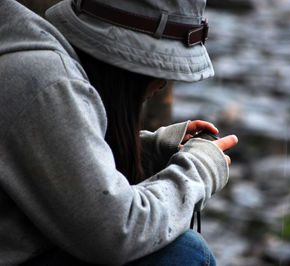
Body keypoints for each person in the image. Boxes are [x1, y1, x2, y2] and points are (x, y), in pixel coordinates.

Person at [0, 0, 238, 265]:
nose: (164, 83)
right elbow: (117, 231)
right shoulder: (48, 83)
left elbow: (51, 160)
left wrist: (152, 149)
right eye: (161, 69)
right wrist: (198, 170)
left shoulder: (32, 52)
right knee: (186, 253)